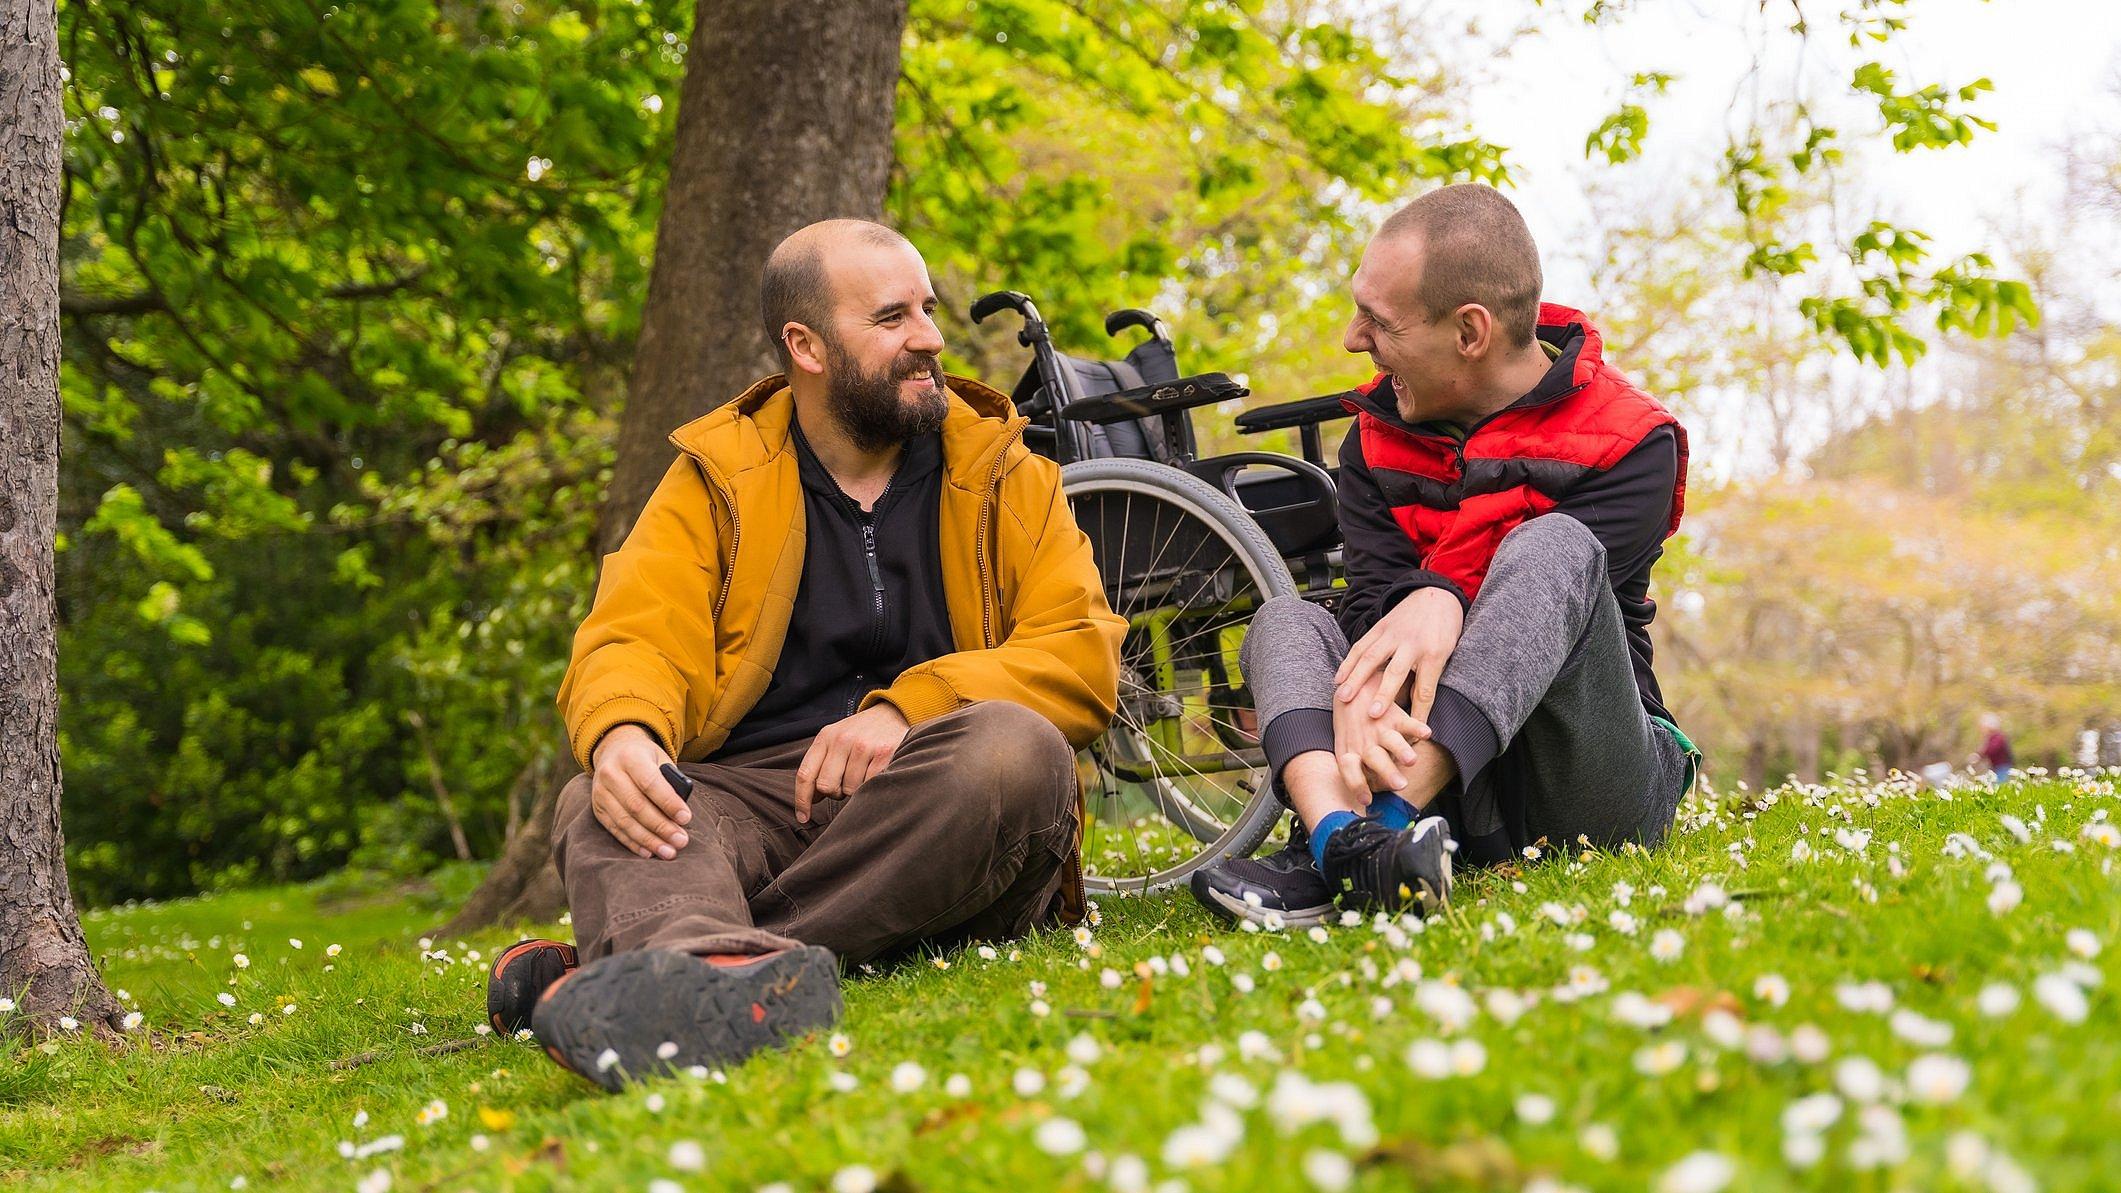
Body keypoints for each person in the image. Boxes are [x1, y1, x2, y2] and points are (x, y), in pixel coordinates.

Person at [485, 220, 1124, 1090]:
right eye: (893, 317)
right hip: (753, 799)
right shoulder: (716, 473)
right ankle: (704, 969)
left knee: (1017, 750)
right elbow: (634, 629)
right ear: (806, 345)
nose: (931, 339)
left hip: (932, 797)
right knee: (607, 793)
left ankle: (679, 955)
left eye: (927, 310)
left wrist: (910, 707)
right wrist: (626, 734)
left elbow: (1080, 656)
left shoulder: (1008, 471)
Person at [1190, 184, 1697, 928]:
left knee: (1552, 545)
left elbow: (1536, 604)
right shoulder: (1371, 436)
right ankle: (1343, 837)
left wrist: (1437, 597)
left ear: (1469, 332)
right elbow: (1371, 614)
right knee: (1287, 620)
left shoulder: (1633, 442)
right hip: (1455, 795)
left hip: (1586, 787)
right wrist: (1414, 602)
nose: (1351, 339)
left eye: (1378, 320)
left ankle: (1367, 837)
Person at [1979, 713, 2014, 785]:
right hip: (1996, 767)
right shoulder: (1992, 737)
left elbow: (1991, 749)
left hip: (2002, 767)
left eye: (1984, 727)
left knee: (2000, 786)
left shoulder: (1998, 737)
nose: (1982, 729)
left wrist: (1979, 755)